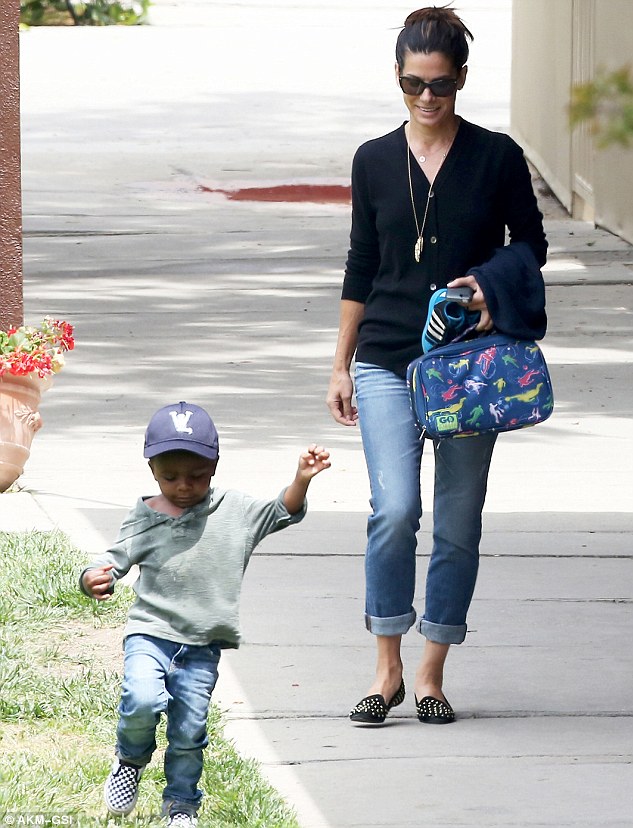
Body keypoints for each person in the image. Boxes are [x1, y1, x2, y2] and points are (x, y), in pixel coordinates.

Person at [326, 6, 547, 726]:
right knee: (394, 510)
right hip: (386, 358)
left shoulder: (497, 156)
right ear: (397, 77)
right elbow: (361, 263)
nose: (427, 97)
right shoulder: (372, 160)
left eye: (442, 84)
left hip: (468, 367)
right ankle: (385, 668)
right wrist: (339, 364)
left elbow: (532, 243)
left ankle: (430, 672)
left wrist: (488, 287)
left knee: (457, 521)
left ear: (462, 79)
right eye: (413, 83)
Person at [80, 401, 330, 824]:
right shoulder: (145, 515)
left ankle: (181, 802)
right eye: (170, 477)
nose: (183, 486)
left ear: (214, 466)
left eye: (196, 476)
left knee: (188, 730)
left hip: (201, 645)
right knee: (141, 699)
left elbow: (281, 511)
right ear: (152, 471)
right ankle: (130, 760)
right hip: (150, 633)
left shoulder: (234, 511)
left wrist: (301, 479)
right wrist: (93, 577)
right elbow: (112, 558)